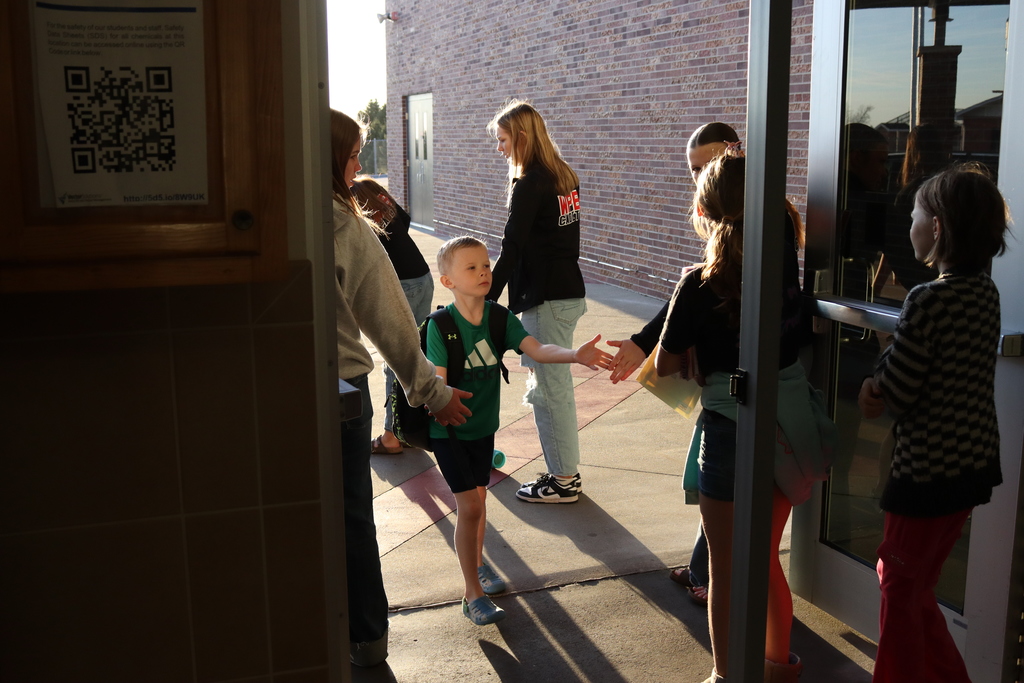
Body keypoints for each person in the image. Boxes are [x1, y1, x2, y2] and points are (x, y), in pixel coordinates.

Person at [656, 151, 834, 683]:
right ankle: (778, 668)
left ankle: (727, 675)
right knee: (764, 558)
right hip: (789, 423)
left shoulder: (698, 284)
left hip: (729, 430)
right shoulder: (784, 269)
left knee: (727, 568)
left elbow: (664, 363)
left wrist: (694, 348)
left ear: (705, 211)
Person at [331, 110, 472, 667]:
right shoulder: (343, 225)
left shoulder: (271, 219)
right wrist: (433, 393)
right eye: (352, 156)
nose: (357, 167)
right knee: (351, 519)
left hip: (274, 397)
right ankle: (366, 642)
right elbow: (390, 323)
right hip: (340, 394)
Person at [858, 164, 1008, 683]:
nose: (910, 225)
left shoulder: (928, 299)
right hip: (970, 467)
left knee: (899, 584)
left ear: (938, 227)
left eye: (916, 216)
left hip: (925, 473)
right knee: (914, 582)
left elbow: (898, 389)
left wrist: (875, 375)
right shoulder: (984, 292)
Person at [428, 236, 612, 624]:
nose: (483, 272)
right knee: (471, 507)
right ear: (448, 282)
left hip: (483, 428)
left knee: (478, 504)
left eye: (486, 265)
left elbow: (538, 349)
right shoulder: (441, 326)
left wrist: (574, 354)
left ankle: (477, 566)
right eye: (471, 267)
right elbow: (437, 380)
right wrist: (442, 392)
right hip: (451, 431)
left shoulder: (499, 318)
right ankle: (472, 595)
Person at [606, 121, 742, 606]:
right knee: (717, 483)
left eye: (708, 167)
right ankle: (704, 567)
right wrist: (643, 341)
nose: (699, 180)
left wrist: (651, 346)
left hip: (738, 387)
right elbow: (695, 291)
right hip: (728, 384)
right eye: (693, 170)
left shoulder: (750, 218)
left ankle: (714, 579)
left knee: (720, 481)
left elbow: (697, 292)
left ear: (734, 154)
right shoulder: (728, 217)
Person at [485, 100, 589, 504]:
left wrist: (484, 300)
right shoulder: (563, 176)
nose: (500, 149)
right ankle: (563, 473)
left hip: (546, 299)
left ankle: (563, 480)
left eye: (503, 140)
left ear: (522, 137)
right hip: (566, 294)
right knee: (554, 387)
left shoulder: (530, 183)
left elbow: (511, 248)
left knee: (549, 391)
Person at [350, 176, 435, 455]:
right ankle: (409, 428)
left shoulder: (354, 198)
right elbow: (406, 220)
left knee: (396, 358)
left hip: (402, 285)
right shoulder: (374, 191)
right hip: (422, 277)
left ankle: (391, 435)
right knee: (414, 354)